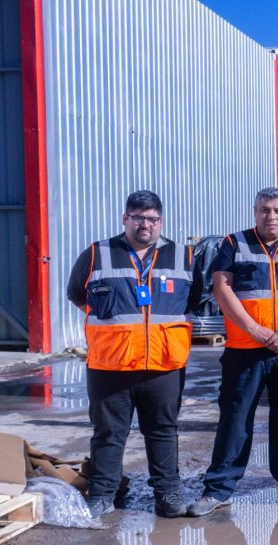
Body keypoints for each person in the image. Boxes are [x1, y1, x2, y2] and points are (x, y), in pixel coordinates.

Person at [67, 190, 202, 518]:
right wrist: (119, 332)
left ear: (161, 221)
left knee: (163, 430)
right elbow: (76, 294)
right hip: (110, 366)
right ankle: (101, 494)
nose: (146, 224)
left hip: (164, 365)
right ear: (125, 218)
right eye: (138, 217)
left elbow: (194, 299)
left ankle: (167, 494)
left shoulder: (182, 256)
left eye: (152, 218)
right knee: (109, 433)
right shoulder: (98, 254)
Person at [188, 187, 278, 517]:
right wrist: (256, 330)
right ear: (255, 212)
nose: (271, 216)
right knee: (235, 420)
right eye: (264, 210)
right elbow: (222, 289)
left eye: (277, 210)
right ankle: (218, 489)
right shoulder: (234, 244)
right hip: (244, 350)